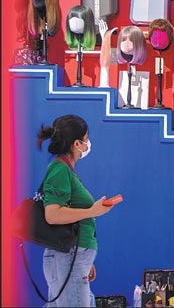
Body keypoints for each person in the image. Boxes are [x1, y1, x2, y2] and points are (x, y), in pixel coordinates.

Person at [36, 115, 113, 307]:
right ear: (77, 143)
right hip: (68, 257)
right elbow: (52, 215)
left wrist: (85, 261)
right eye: (86, 138)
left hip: (72, 256)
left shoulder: (66, 170)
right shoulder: (60, 169)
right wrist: (92, 211)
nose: (88, 143)